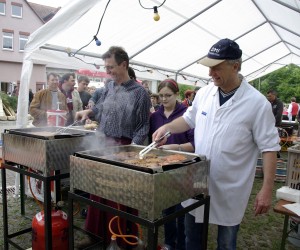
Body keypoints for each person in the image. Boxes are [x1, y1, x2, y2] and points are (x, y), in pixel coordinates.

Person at [152, 38, 280, 249]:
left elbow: (269, 148)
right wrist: (167, 128)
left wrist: (266, 189)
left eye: (216, 68)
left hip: (231, 186)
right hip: (197, 181)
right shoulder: (204, 94)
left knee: (226, 243)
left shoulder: (257, 104)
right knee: (192, 239)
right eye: (209, 68)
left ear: (235, 66)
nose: (210, 74)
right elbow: (188, 119)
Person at [75, 46, 151, 249]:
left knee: (119, 195)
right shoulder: (109, 87)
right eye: (106, 67)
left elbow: (143, 125)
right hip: (103, 143)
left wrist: (133, 151)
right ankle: (94, 235)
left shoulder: (140, 93)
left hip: (124, 147)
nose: (107, 71)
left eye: (110, 67)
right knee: (97, 190)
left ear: (124, 64)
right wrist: (88, 113)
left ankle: (122, 239)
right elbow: (101, 109)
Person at [149, 79, 194, 250]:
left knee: (182, 210)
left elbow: (195, 144)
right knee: (167, 208)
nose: (164, 99)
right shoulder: (155, 116)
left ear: (177, 95)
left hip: (184, 168)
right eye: (161, 96)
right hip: (163, 169)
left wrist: (175, 147)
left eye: (168, 95)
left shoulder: (187, 114)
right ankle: (169, 243)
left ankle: (181, 245)